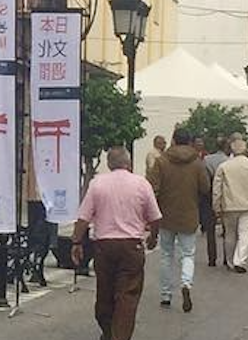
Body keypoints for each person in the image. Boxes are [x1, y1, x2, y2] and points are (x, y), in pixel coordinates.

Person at [72, 148, 162, 340]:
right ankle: (119, 335)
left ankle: (107, 329)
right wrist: (153, 237)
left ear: (109, 164)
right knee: (127, 295)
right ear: (128, 164)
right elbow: (155, 217)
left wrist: (76, 241)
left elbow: (83, 217)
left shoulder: (97, 184)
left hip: (104, 247)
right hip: (131, 247)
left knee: (105, 292)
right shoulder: (141, 184)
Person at [148, 128, 211, 312]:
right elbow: (205, 187)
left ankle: (166, 294)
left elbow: (153, 188)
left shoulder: (161, 162)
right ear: (190, 142)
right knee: (188, 254)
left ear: (173, 141)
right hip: (189, 214)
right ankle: (186, 284)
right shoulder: (197, 163)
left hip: (166, 215)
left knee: (167, 255)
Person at [212, 137, 248, 274]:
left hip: (229, 205)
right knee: (245, 233)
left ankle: (230, 261)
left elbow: (217, 189)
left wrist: (216, 206)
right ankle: (240, 260)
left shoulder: (224, 166)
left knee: (229, 234)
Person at [203, 135, 232, 265]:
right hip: (226, 195)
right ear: (226, 147)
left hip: (209, 195)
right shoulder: (229, 161)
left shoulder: (207, 160)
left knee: (210, 229)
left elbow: (204, 178)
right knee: (227, 229)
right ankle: (227, 258)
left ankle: (212, 258)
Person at [192, 135, 219, 268]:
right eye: (198, 142)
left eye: (201, 142)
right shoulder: (191, 156)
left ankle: (213, 258)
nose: (200, 144)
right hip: (200, 193)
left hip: (207, 194)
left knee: (210, 226)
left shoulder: (206, 157)